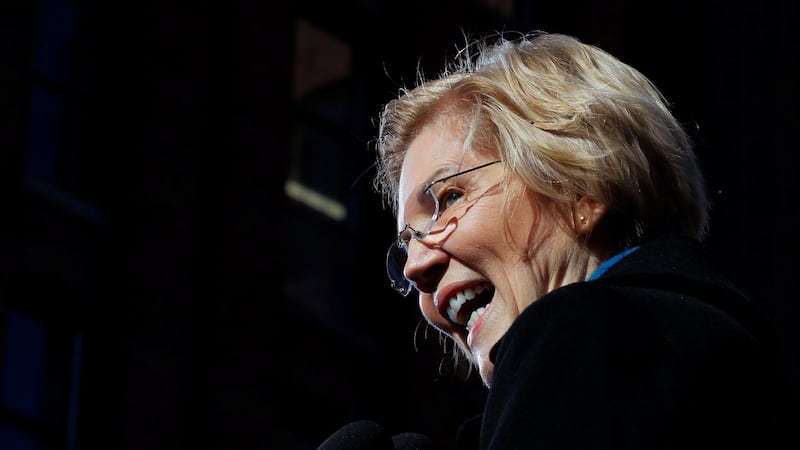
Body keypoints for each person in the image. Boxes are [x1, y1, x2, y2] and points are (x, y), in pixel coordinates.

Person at [372, 31, 797, 449]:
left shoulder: (586, 339)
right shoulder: (713, 358)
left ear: (578, 186)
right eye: (407, 246)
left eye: (449, 198)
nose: (415, 267)